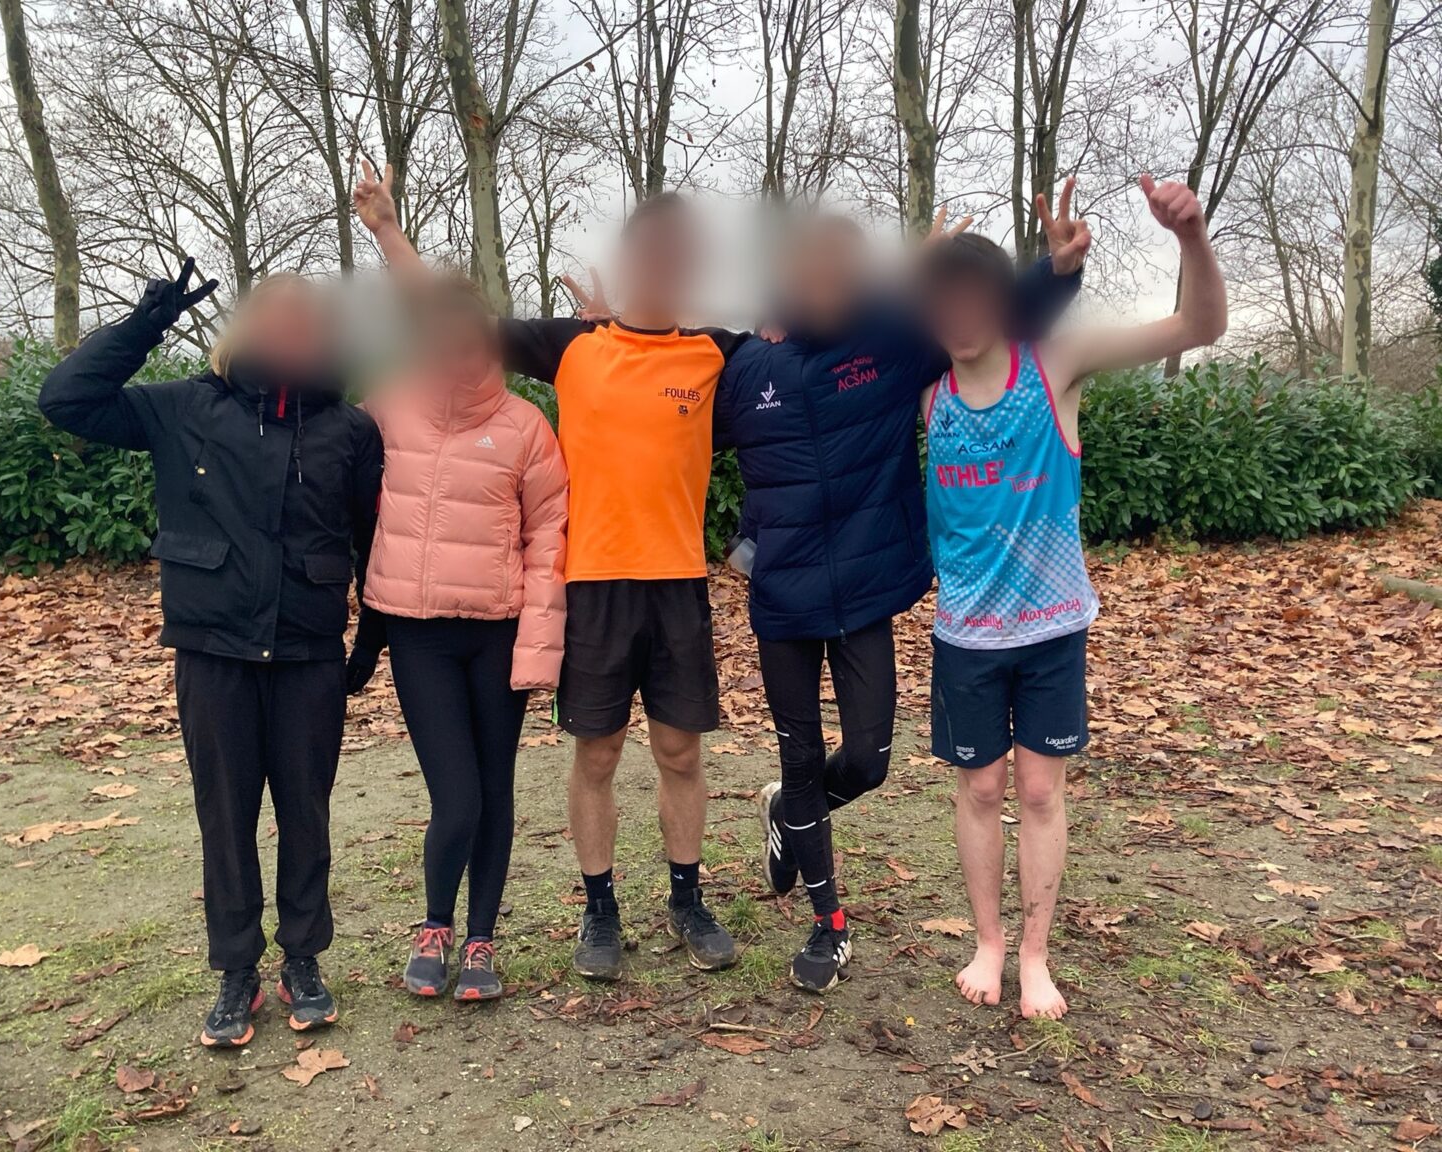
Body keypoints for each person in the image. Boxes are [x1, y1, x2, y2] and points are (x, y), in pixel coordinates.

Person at [353, 161, 747, 980]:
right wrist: (388, 231)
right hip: (592, 585)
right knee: (596, 756)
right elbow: (455, 322)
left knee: (680, 752)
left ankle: (686, 899)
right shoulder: (574, 346)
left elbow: (812, 371)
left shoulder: (716, 353)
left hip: (677, 585)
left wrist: (791, 323)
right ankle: (599, 909)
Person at [715, 198, 1088, 992]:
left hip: (866, 587)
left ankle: (788, 812)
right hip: (783, 597)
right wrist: (606, 334)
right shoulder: (748, 365)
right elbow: (666, 399)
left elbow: (988, 319)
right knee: (800, 756)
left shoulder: (889, 344)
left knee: (869, 760)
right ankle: (828, 924)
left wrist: (1057, 273)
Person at [39, 264, 383, 1046]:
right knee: (225, 818)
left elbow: (373, 541)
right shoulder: (183, 408)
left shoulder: (350, 429)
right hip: (213, 652)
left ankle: (304, 960)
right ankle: (237, 970)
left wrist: (370, 637)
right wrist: (147, 321)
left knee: (306, 814)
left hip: (307, 655)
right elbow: (66, 400)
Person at [919, 176, 1226, 1019]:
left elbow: (1200, 327)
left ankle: (1034, 954)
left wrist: (1191, 237)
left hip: (1053, 626)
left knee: (1039, 792)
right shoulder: (927, 392)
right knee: (981, 791)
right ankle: (987, 942)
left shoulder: (1053, 366)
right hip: (965, 635)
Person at [344, 277, 568, 1002]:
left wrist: (539, 648)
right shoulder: (386, 407)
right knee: (459, 795)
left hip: (499, 636)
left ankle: (480, 941)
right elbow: (333, 478)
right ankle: (434, 925)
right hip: (418, 636)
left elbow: (548, 540)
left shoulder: (526, 427)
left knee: (494, 789)